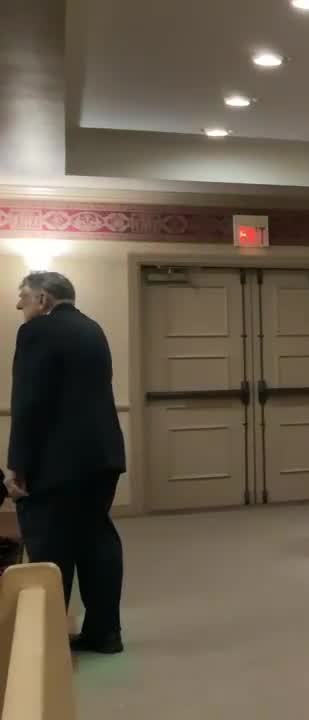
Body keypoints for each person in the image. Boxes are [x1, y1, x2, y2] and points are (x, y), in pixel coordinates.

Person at [6, 271, 126, 654]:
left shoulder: (35, 332)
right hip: (103, 455)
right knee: (96, 540)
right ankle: (105, 633)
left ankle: (49, 641)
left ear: (43, 298)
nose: (19, 304)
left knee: (50, 545)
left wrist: (18, 465)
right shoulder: (93, 329)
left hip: (56, 462)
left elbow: (29, 402)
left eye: (23, 297)